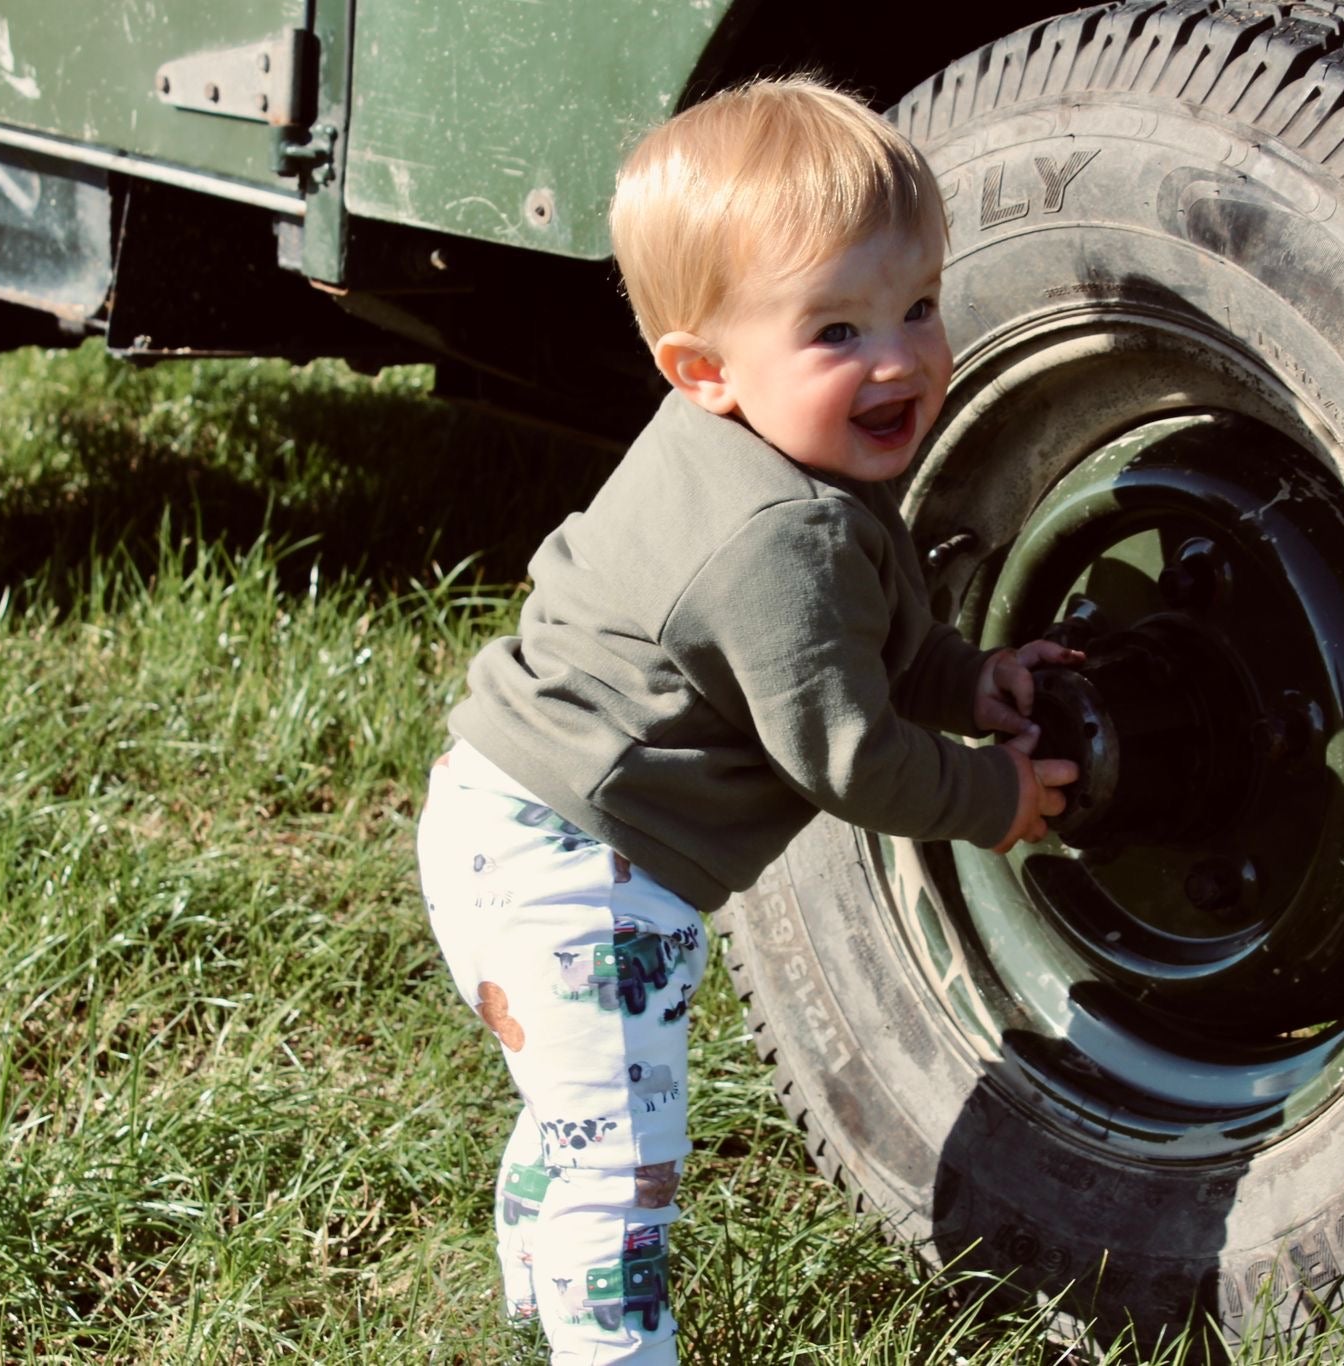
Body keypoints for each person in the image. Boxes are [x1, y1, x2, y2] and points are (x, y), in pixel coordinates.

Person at [416, 76, 1080, 1364]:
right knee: (622, 1154)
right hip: (579, 866)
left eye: (919, 305)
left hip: (506, 813)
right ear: (703, 370)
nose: (900, 357)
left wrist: (962, 679)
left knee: (579, 1107)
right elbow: (848, 755)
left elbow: (865, 640)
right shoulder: (778, 538)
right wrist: (991, 798)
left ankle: (529, 1288)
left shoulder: (766, 445)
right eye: (837, 330)